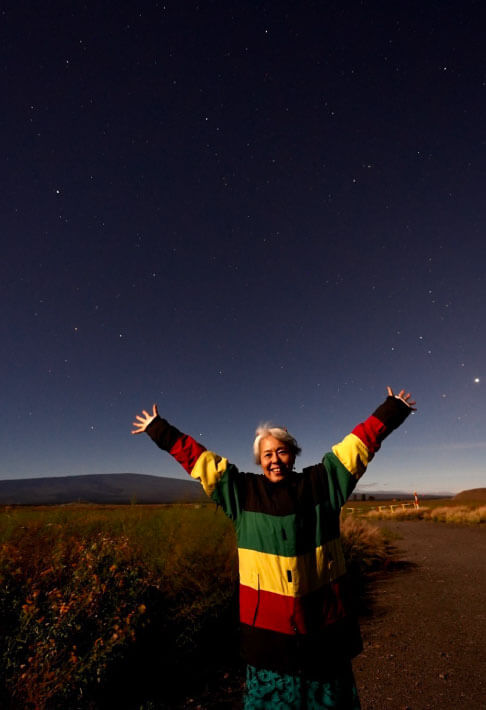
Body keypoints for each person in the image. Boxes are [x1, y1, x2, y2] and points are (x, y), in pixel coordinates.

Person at [132, 386, 416, 709]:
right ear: (259, 460)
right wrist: (160, 430)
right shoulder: (242, 493)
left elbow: (356, 448)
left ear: (293, 454)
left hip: (325, 632)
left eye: (281, 452)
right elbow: (202, 463)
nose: (275, 460)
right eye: (267, 455)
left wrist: (391, 410)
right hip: (266, 639)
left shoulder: (323, 483)